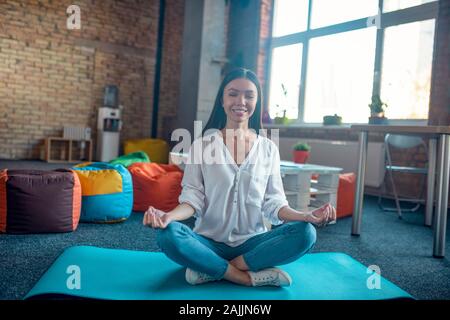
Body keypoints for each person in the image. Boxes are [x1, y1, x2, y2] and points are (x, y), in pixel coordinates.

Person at [143, 68, 336, 287]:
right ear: (222, 100)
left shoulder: (268, 149)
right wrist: (169, 217)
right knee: (167, 235)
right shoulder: (201, 146)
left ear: (257, 101)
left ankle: (214, 268)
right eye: (233, 93)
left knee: (306, 233)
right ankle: (242, 276)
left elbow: (275, 204)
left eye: (249, 95)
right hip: (208, 242)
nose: (240, 101)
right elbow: (192, 200)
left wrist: (306, 216)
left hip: (252, 245)